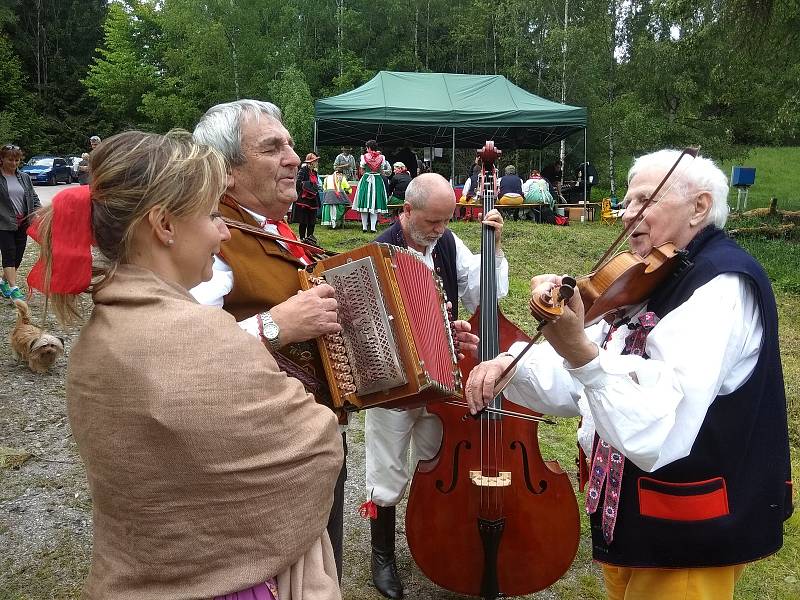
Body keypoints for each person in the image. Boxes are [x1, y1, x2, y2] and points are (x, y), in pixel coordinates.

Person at [465, 149, 793, 600]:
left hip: (685, 533)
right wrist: (511, 367)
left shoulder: (721, 287)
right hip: (630, 518)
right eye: (626, 201)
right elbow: (591, 373)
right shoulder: (653, 273)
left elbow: (660, 425)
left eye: (644, 200)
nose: (626, 214)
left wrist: (579, 351)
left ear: (699, 207)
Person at [27, 130, 343, 599]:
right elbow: (316, 448)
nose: (224, 230)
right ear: (165, 226)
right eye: (212, 214)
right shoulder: (197, 335)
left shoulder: (103, 331)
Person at [191, 99, 349, 582]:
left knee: (321, 571)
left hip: (313, 436)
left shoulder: (273, 228)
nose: (293, 157)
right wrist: (277, 325)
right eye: (272, 147)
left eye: (291, 144)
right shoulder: (206, 235)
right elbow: (186, 355)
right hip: (259, 459)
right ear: (227, 172)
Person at [366, 172, 509, 599]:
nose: (440, 231)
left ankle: (432, 541)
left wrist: (493, 248)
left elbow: (484, 295)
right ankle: (382, 554)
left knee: (435, 463)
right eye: (432, 222)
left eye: (447, 221)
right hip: (390, 386)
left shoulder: (446, 242)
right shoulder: (376, 253)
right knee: (386, 470)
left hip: (443, 381)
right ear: (406, 211)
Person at [1, 143, 41, 300]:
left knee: (17, 257)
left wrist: (39, 211)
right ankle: (14, 289)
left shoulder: (24, 177)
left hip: (23, 222)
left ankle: (3, 282)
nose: (14, 163)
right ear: (2, 159)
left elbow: (33, 196)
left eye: (17, 160)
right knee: (9, 254)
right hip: (3, 223)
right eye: (10, 160)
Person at [354, 139, 390, 233]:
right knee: (375, 202)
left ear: (369, 148)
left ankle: (364, 227)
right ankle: (373, 227)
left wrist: (367, 173)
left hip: (366, 180)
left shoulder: (364, 157)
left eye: (367, 147)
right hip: (377, 180)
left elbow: (361, 171)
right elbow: (382, 171)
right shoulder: (381, 157)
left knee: (365, 202)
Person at [292, 152, 322, 244]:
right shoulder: (303, 170)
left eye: (316, 161)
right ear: (310, 162)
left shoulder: (315, 172)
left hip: (313, 199)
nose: (316, 162)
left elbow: (316, 184)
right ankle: (301, 238)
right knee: (304, 220)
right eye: (315, 161)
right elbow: (298, 183)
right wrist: (309, 186)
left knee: (312, 221)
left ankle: (310, 239)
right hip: (304, 200)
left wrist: (315, 187)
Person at [321, 158, 352, 229]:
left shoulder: (327, 178)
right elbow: (349, 190)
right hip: (337, 199)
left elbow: (324, 188)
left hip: (327, 199)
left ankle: (330, 222)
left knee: (332, 208)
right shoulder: (342, 178)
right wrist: (347, 191)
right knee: (347, 205)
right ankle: (337, 221)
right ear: (341, 173)